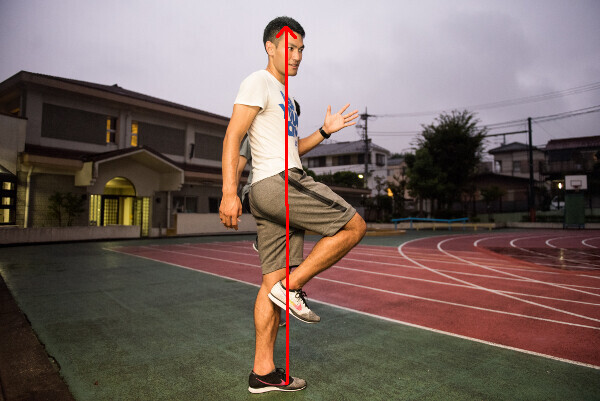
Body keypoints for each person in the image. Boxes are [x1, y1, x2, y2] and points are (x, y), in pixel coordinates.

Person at [219, 16, 366, 394]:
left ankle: (262, 372)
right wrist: (229, 192)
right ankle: (294, 287)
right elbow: (233, 135)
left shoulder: (288, 99)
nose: (297, 55)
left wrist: (325, 131)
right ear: (270, 47)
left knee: (270, 281)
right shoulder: (259, 81)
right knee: (354, 226)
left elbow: (291, 148)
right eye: (290, 48)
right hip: (276, 183)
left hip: (271, 187)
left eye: (301, 49)